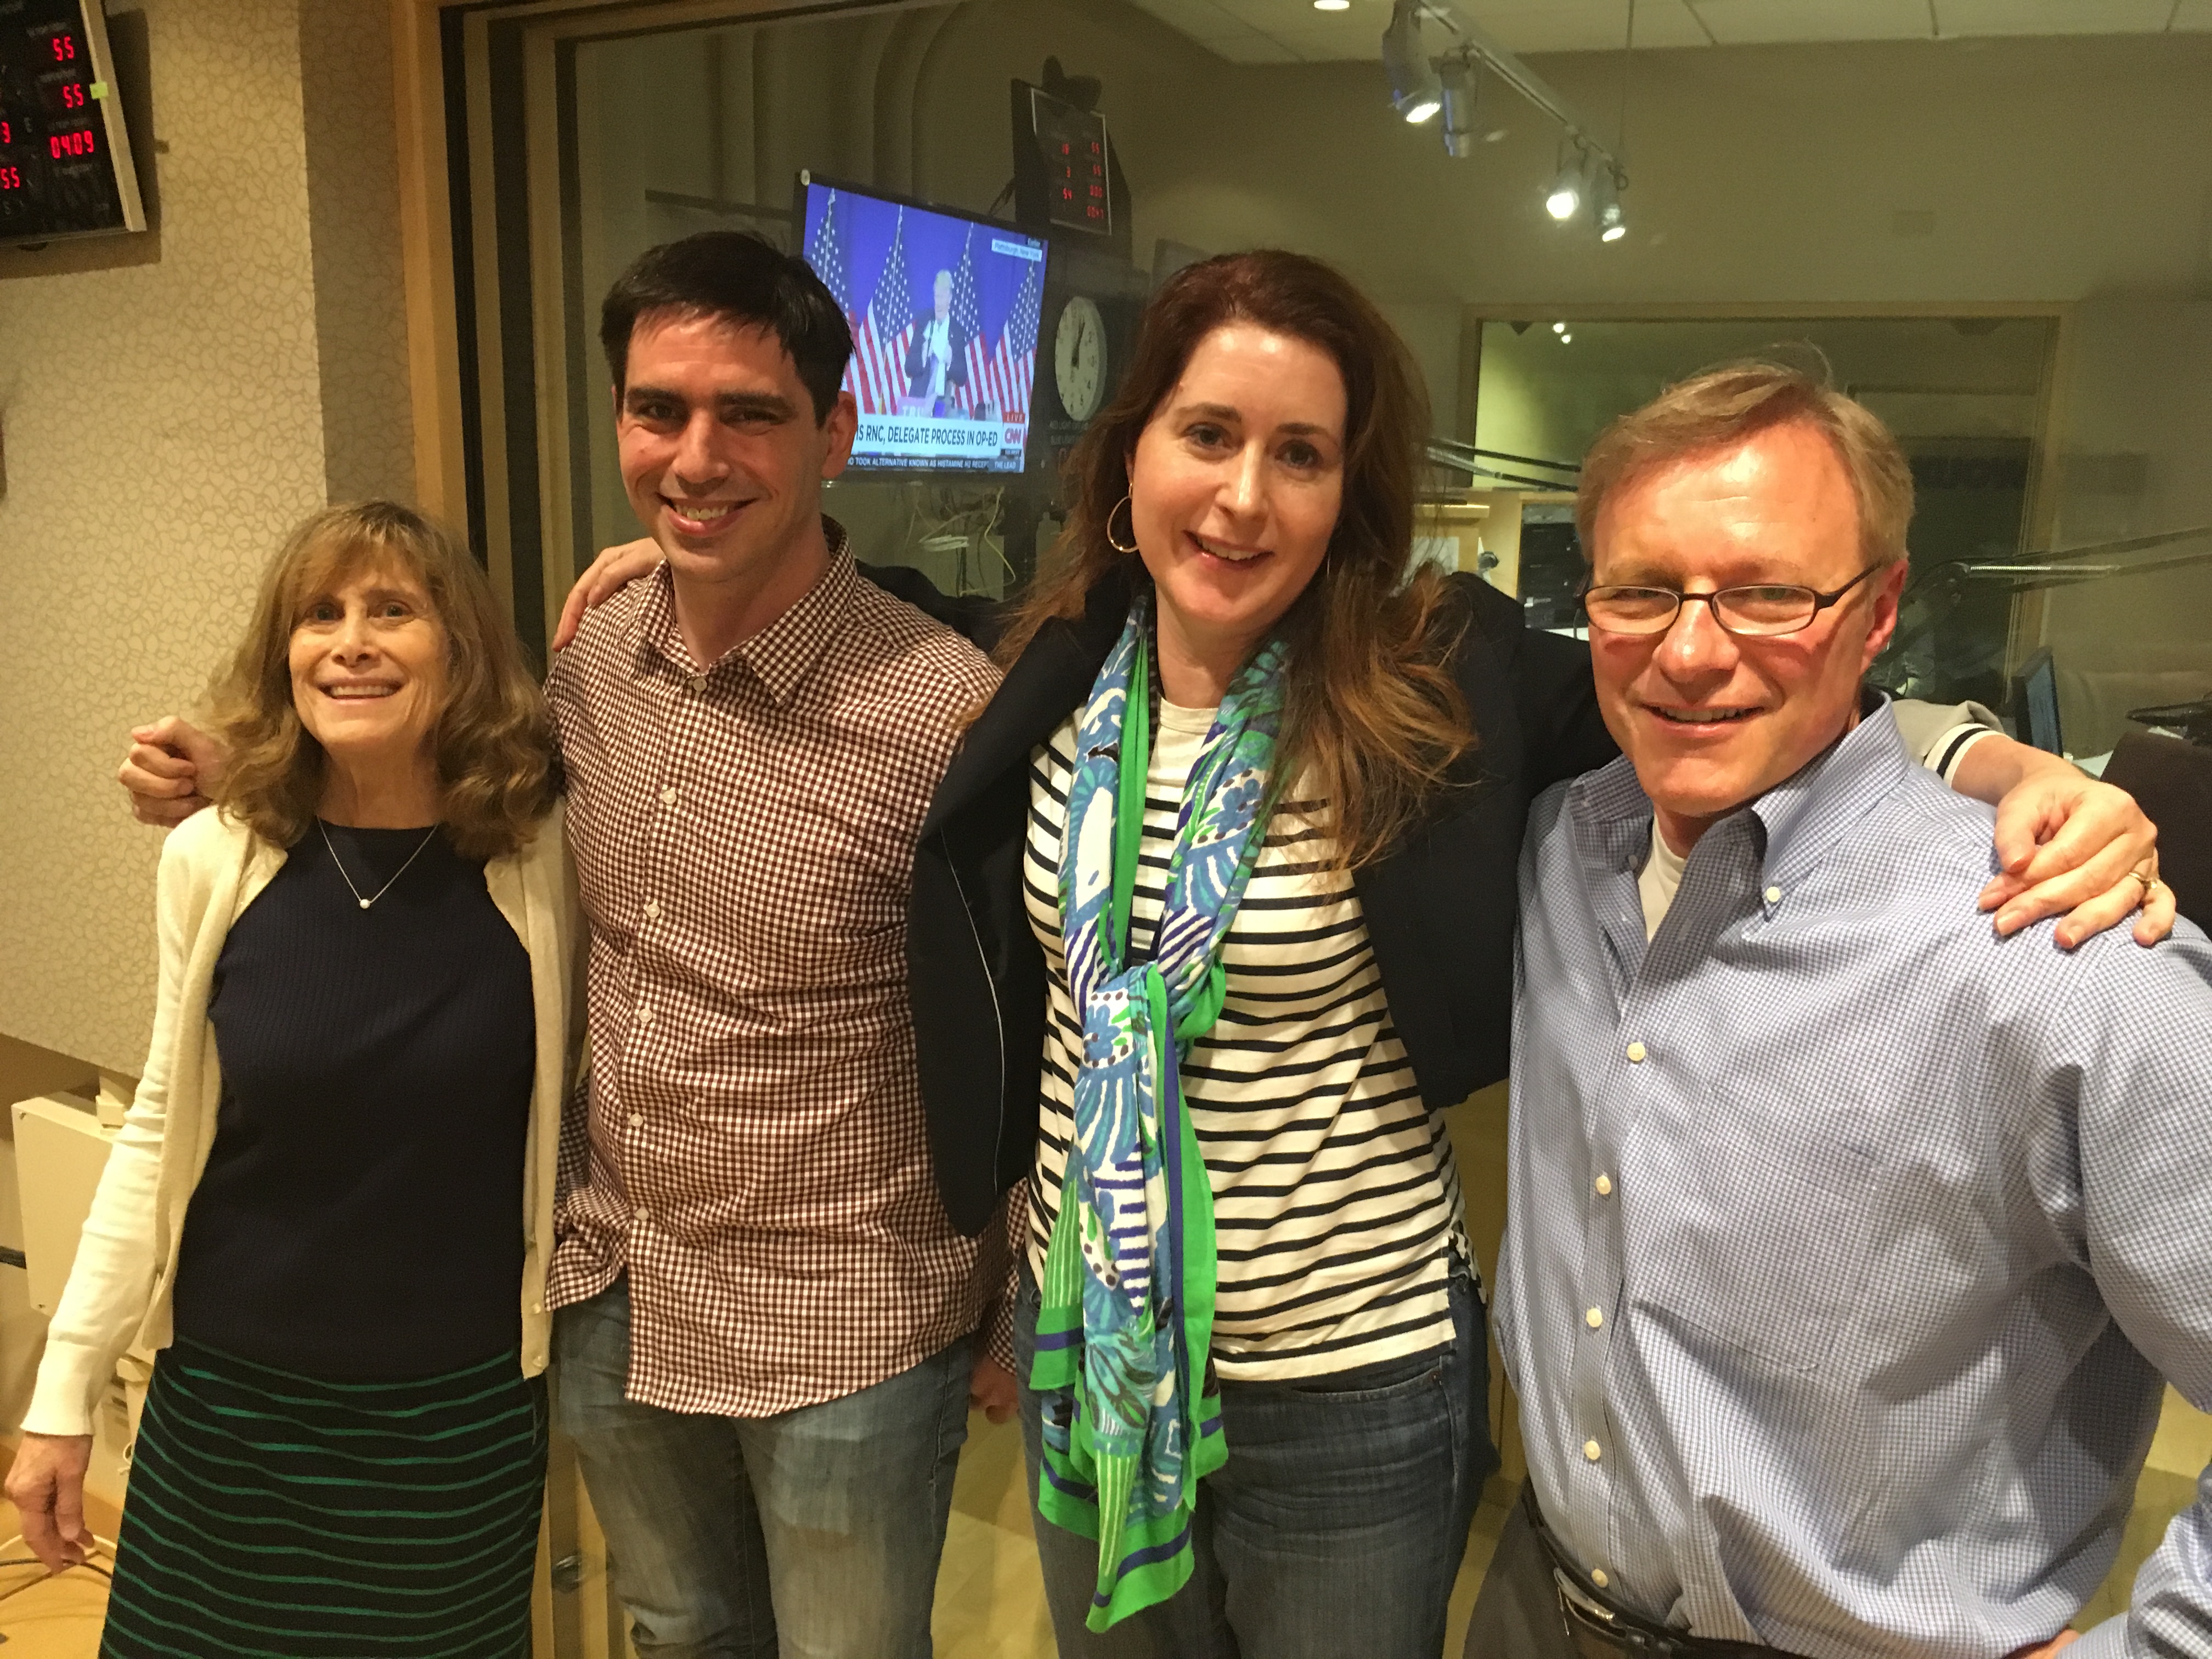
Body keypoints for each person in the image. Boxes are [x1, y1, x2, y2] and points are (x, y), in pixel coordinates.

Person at [896, 253, 2170, 1658]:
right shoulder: (1048, 667)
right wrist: (673, 551)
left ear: (1348, 493)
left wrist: (1999, 764)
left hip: (1347, 1374)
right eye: (1207, 435)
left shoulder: (1439, 678)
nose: (1244, 496)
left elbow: (1739, 698)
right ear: (1128, 450)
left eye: (1302, 454)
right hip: (1101, 1345)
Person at [119, 232, 1003, 1659]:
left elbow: (1017, 1009)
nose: (696, 456)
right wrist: (246, 758)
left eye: (751, 414)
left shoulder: (939, 707)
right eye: (660, 410)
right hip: (616, 1289)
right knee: (677, 1634)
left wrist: (1020, 1289)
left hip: (846, 1313)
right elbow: (439, 761)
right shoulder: (596, 654)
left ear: (836, 431)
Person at [1472, 363, 2211, 1658]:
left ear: (1878, 614)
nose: (1692, 650)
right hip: (1537, 1603)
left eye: (1766, 594)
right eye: (1643, 589)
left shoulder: (2062, 955)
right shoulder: (1559, 846)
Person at [9, 501, 578, 1659]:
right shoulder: (213, 857)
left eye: (392, 612)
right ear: (285, 652)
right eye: (319, 614)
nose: (350, 641)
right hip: (229, 1410)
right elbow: (160, 1123)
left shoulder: (542, 856)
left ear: (460, 648)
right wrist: (62, 1395)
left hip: (453, 1419)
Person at [906, 267, 970, 413]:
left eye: (942, 297)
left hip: (942, 405)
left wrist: (950, 361)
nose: (938, 303)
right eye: (936, 297)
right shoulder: (924, 323)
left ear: (950, 298)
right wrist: (922, 358)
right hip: (918, 402)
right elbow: (908, 367)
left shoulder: (957, 331)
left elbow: (962, 377)